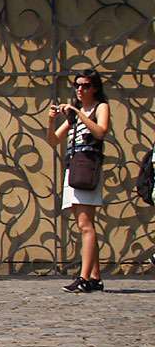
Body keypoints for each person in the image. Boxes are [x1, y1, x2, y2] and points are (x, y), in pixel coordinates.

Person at [49, 69, 111, 293]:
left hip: (87, 166)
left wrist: (77, 112)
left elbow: (101, 131)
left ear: (94, 88)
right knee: (82, 224)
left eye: (85, 85)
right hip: (74, 166)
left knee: (86, 225)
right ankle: (95, 277)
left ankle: (84, 277)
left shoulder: (100, 107)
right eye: (77, 85)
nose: (80, 89)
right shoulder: (76, 114)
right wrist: (52, 120)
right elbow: (53, 140)